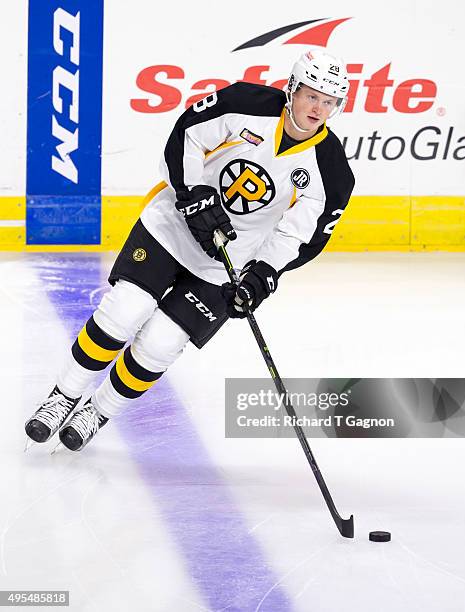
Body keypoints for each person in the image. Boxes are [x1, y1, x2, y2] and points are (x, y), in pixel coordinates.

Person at [25, 48, 355, 452]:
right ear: (292, 89)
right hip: (171, 228)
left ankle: (99, 409)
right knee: (123, 311)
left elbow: (299, 237)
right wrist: (193, 194)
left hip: (224, 263)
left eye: (329, 101)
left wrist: (263, 274)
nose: (318, 108)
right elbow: (187, 134)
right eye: (311, 95)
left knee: (160, 344)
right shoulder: (244, 103)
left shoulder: (333, 172)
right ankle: (63, 396)